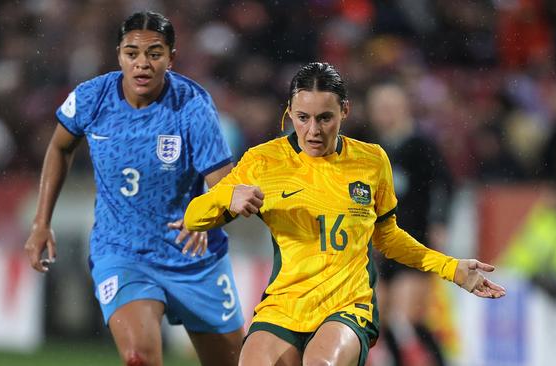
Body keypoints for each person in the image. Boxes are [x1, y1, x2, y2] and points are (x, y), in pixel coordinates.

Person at [183, 62, 506, 366]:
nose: (312, 130)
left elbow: (387, 236)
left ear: (345, 111)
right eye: (302, 117)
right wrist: (227, 196)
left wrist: (450, 267)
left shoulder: (371, 160)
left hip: (348, 306)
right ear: (289, 114)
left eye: (325, 118)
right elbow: (194, 218)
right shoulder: (264, 161)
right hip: (284, 306)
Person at [24, 11, 244, 366]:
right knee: (138, 356)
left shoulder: (192, 106)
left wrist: (208, 217)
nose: (142, 64)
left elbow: (225, 184)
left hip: (194, 259)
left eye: (154, 54)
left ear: (171, 58)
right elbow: (59, 147)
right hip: (123, 253)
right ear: (119, 55)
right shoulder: (92, 99)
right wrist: (41, 222)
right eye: (132, 53)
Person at [365, 82, 453, 366]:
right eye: (379, 108)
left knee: (407, 318)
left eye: (390, 107)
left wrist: (439, 222)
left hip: (415, 240)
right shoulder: (371, 150)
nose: (385, 114)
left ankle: (440, 361)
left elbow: (444, 185)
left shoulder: (421, 145)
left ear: (404, 109)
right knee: (383, 318)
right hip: (383, 246)